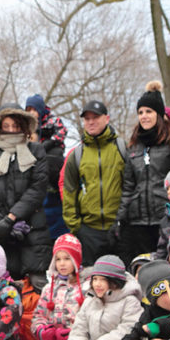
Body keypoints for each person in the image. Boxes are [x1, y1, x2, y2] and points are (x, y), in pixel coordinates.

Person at [0, 105, 51, 286]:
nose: (11, 130)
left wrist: (11, 218)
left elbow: (37, 189)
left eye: (16, 126)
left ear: (24, 127)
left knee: (36, 286)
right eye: (7, 125)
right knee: (3, 290)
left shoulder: (36, 150)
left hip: (33, 230)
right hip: (0, 232)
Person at [117, 84, 170, 263]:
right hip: (137, 222)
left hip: (167, 218)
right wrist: (120, 219)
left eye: (148, 111)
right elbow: (128, 186)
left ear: (158, 114)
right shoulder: (134, 146)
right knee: (141, 269)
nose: (144, 116)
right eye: (140, 112)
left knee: (165, 267)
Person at [61, 100, 127, 266]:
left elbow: (131, 187)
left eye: (95, 117)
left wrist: (124, 220)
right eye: (87, 118)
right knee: (92, 282)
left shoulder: (122, 148)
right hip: (89, 231)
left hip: (120, 228)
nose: (91, 122)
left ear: (107, 118)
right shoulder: (77, 154)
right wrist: (76, 227)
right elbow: (69, 191)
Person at [67, 255, 143, 340]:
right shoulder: (90, 300)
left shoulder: (130, 301)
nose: (97, 284)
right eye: (95, 279)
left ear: (114, 281)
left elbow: (126, 331)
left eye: (103, 280)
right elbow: (79, 328)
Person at [31, 234, 86, 340]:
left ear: (76, 259)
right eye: (58, 259)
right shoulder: (48, 288)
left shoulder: (85, 287)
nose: (62, 264)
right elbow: (38, 315)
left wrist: (72, 333)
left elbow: (89, 318)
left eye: (67, 259)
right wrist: (42, 331)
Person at [26, 94, 70, 240]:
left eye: (34, 109)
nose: (31, 113)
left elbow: (62, 132)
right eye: (28, 109)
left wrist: (50, 142)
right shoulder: (30, 126)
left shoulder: (52, 120)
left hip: (53, 152)